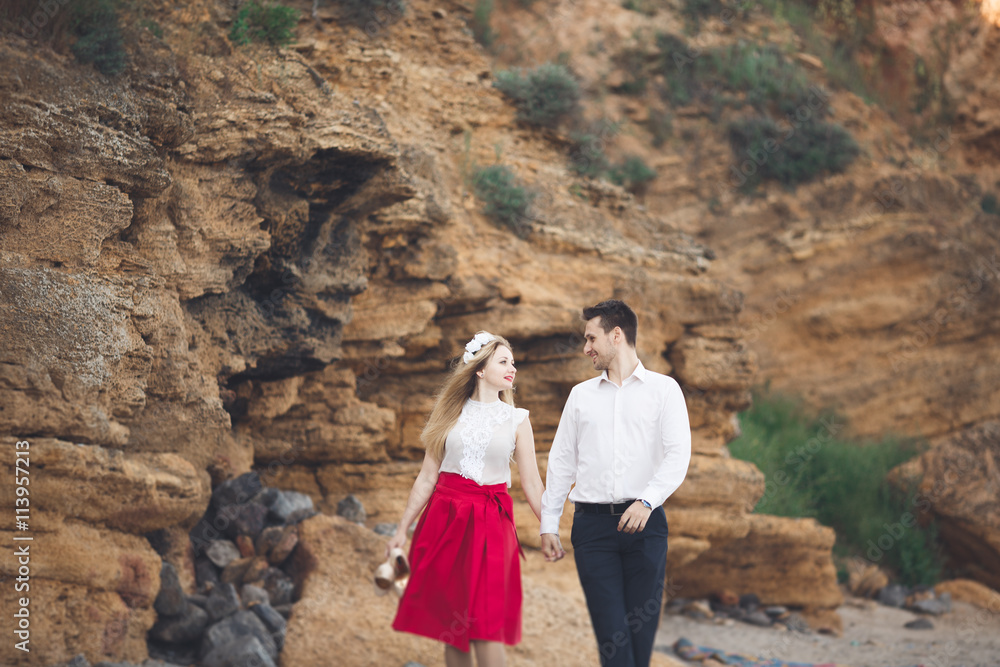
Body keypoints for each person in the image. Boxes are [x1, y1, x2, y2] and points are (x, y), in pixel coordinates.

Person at [539, 300, 692, 667]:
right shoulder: (580, 396)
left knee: (640, 643)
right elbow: (561, 463)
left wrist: (647, 501)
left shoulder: (665, 390)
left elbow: (678, 456)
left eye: (591, 338)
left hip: (646, 526)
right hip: (592, 531)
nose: (586, 347)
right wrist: (549, 523)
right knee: (613, 639)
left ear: (617, 335)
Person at [387, 331, 544, 667]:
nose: (512, 368)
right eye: (503, 361)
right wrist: (402, 528)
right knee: (452, 623)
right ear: (480, 370)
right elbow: (427, 477)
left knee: (485, 625)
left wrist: (550, 528)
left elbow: (531, 482)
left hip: (492, 522)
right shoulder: (448, 415)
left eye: (513, 363)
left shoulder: (518, 420)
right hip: (444, 520)